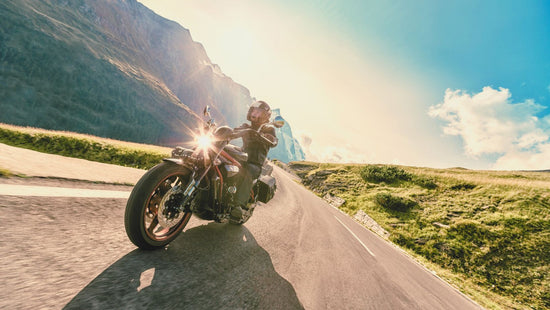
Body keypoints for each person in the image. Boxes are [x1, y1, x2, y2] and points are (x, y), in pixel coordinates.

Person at [231, 100, 278, 219]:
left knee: (248, 171)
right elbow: (234, 131)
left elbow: (274, 141)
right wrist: (228, 132)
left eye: (258, 112)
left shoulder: (268, 129)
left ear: (265, 116)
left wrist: (268, 138)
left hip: (254, 163)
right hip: (242, 157)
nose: (254, 113)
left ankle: (237, 206)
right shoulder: (246, 126)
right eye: (253, 110)